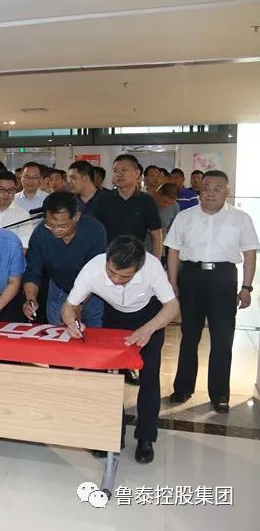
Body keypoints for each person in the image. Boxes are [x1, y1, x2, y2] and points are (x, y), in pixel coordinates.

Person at [62, 236, 179, 464]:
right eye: (111, 272)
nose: (115, 279)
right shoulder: (93, 268)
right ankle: (113, 435)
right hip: (115, 318)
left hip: (149, 317)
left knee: (149, 377)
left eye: (124, 276)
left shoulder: (152, 267)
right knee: (111, 379)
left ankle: (145, 438)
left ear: (139, 268)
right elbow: (69, 305)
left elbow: (172, 306)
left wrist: (148, 329)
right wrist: (71, 322)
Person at [165, 170, 259, 413]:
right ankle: (183, 388)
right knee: (189, 336)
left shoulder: (241, 218)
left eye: (217, 188)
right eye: (206, 187)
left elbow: (250, 254)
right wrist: (172, 283)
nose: (210, 193)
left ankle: (219, 394)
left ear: (227, 191)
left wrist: (246, 287)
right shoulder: (184, 217)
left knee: (222, 338)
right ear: (199, 189)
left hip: (223, 278)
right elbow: (173, 251)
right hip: (191, 276)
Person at [22, 191, 107, 326]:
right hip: (59, 291)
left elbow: (96, 274)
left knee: (93, 334)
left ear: (77, 216)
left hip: (92, 294)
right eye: (50, 224)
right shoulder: (40, 234)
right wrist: (31, 299)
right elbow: (32, 271)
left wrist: (77, 305)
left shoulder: (94, 230)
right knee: (58, 335)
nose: (56, 230)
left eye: (63, 226)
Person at [93, 154, 163, 259]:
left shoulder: (146, 201)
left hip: (137, 259)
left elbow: (156, 235)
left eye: (124, 170)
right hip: (108, 258)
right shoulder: (102, 199)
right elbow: (93, 232)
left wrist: (156, 262)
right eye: (115, 171)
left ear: (137, 173)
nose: (118, 174)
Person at [0, 171, 34, 249]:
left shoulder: (23, 215)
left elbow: (24, 247)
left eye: (10, 190)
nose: (6, 194)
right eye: (1, 189)